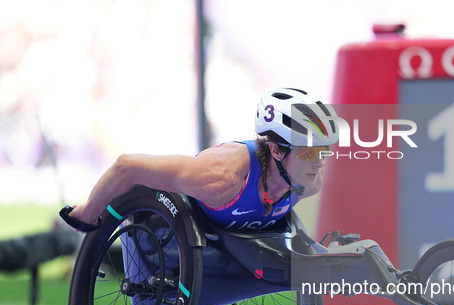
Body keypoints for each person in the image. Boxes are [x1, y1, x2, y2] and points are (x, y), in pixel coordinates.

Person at [60, 88, 340, 232]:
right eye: (310, 151)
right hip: (167, 228)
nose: (320, 162)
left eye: (324, 150)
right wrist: (86, 215)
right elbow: (126, 167)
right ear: (277, 149)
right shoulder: (219, 177)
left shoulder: (310, 182)